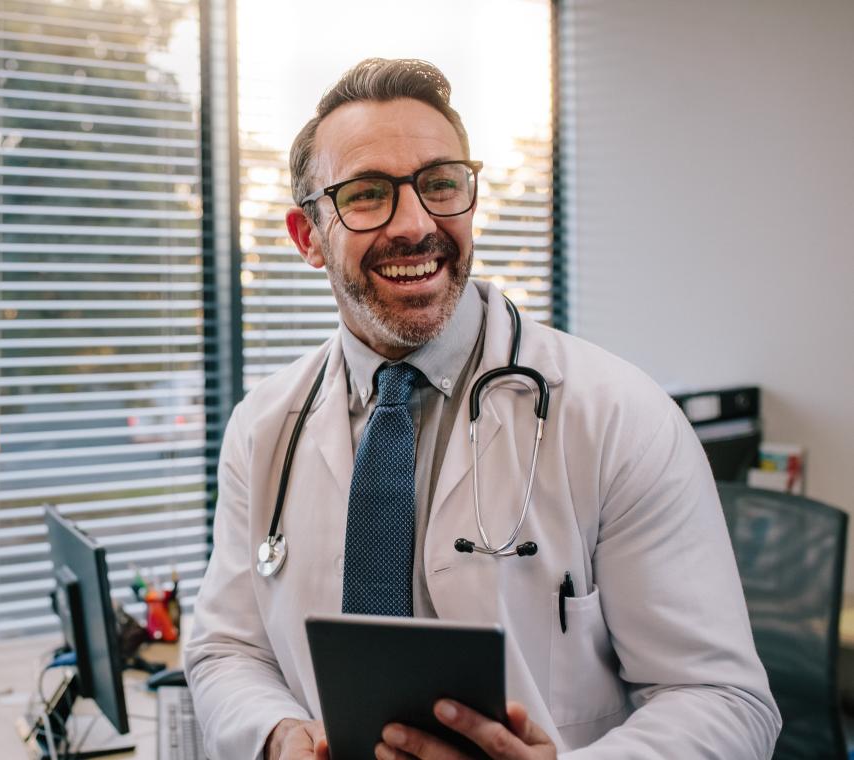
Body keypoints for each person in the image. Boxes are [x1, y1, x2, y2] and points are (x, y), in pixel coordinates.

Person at [182, 58, 779, 760]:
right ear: (308, 237)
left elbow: (726, 703)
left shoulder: (619, 416)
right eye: (368, 194)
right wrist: (279, 737)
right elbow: (226, 647)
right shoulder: (264, 427)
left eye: (439, 184)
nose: (416, 224)